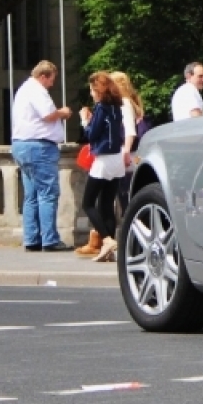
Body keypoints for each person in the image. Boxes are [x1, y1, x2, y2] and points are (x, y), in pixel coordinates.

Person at [10, 61, 72, 252]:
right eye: (51, 80)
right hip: (39, 147)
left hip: (21, 145)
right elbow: (47, 115)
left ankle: (31, 239)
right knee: (47, 194)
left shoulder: (23, 90)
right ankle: (50, 239)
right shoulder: (37, 90)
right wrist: (63, 112)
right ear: (43, 76)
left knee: (31, 196)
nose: (52, 84)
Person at [78, 72, 128, 263]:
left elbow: (91, 134)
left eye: (92, 90)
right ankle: (111, 247)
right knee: (106, 204)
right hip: (116, 158)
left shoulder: (101, 108)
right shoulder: (117, 107)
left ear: (98, 90)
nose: (91, 94)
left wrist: (85, 120)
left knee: (88, 203)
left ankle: (106, 240)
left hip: (104, 159)